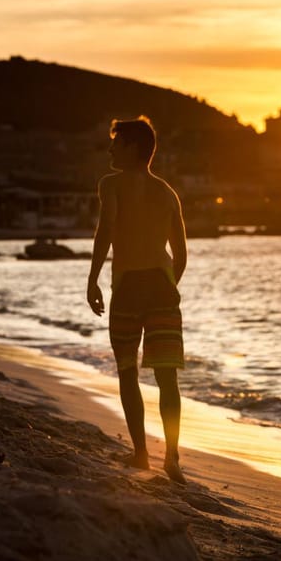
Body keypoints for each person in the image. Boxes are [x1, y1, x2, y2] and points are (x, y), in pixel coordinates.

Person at [86, 116, 188, 484]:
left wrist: (94, 278)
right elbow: (181, 253)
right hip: (162, 288)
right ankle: (172, 458)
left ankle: (142, 454)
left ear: (132, 147)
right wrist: (166, 284)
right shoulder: (167, 192)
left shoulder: (110, 184)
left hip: (128, 287)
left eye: (116, 142)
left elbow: (106, 230)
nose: (111, 149)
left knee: (128, 370)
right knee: (167, 377)